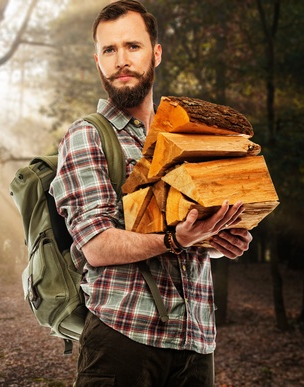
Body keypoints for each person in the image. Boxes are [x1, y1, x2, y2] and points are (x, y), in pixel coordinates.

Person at [50, 1, 252, 385]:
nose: (121, 59)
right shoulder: (87, 135)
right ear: (98, 61)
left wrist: (218, 237)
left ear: (156, 54)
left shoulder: (185, 137)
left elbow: (189, 236)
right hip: (123, 339)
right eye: (109, 50)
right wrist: (178, 238)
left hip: (196, 342)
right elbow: (96, 244)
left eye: (133, 46)